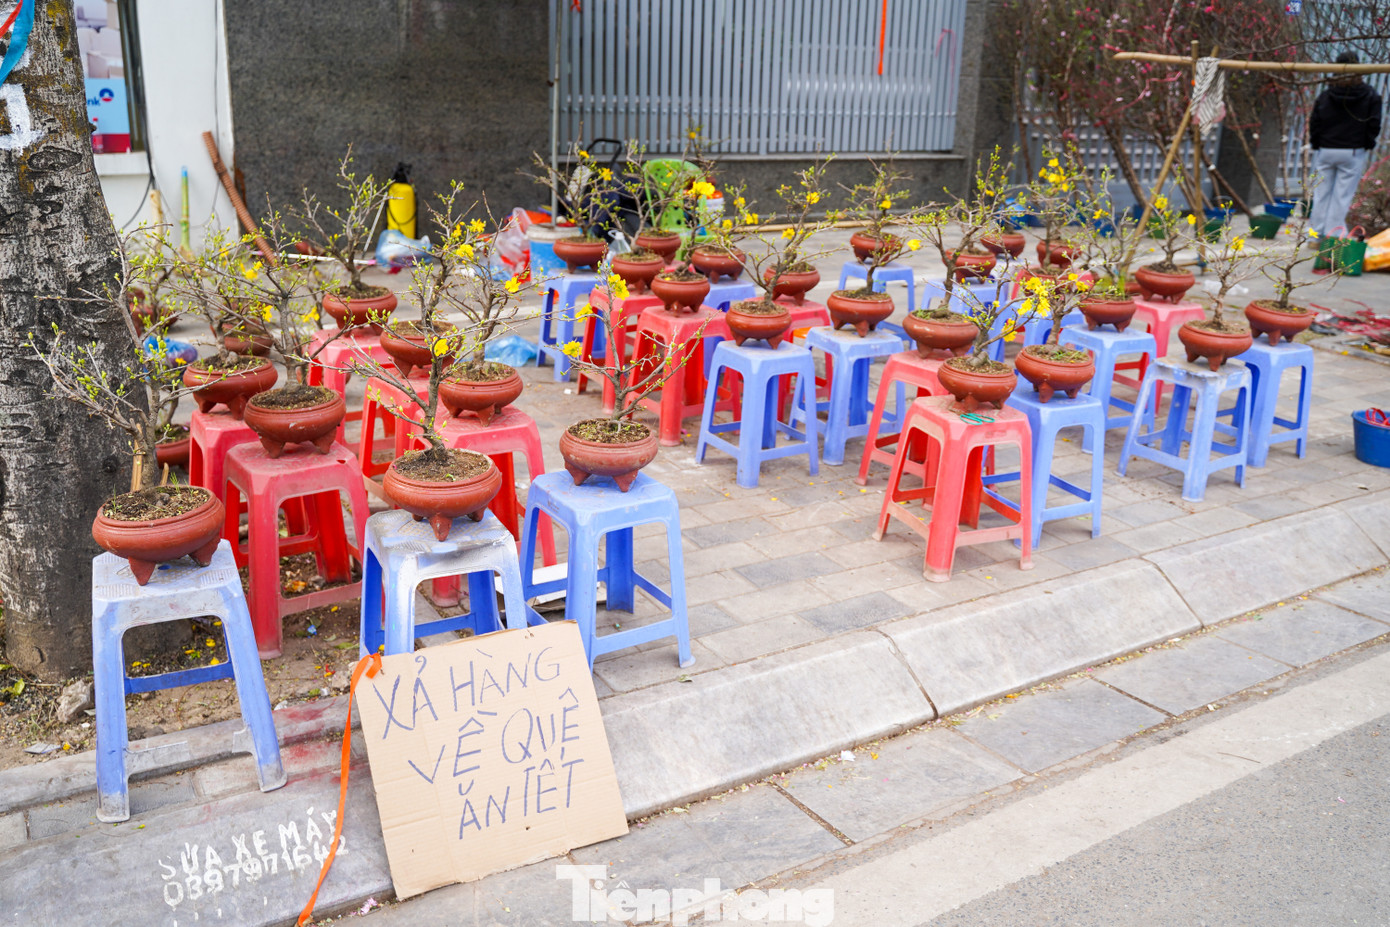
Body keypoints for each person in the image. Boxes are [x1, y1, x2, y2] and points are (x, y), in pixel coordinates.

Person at [1308, 51, 1383, 238]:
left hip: (1326, 149)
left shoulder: (1326, 95)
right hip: (1352, 151)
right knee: (1341, 197)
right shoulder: (1370, 95)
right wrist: (1367, 144)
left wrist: (1317, 144)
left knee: (1320, 194)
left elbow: (1315, 122)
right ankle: (1332, 237)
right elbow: (1374, 123)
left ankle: (1314, 237)